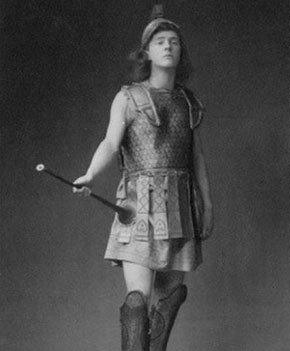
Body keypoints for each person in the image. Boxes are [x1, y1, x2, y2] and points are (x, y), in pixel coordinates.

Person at [73, 5, 212, 351]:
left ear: (181, 52)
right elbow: (110, 142)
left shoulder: (187, 102)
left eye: (174, 42)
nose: (168, 46)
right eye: (161, 41)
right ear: (147, 52)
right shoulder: (128, 97)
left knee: (169, 300)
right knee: (138, 302)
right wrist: (90, 173)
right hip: (139, 207)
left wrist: (207, 204)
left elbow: (195, 157)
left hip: (180, 207)